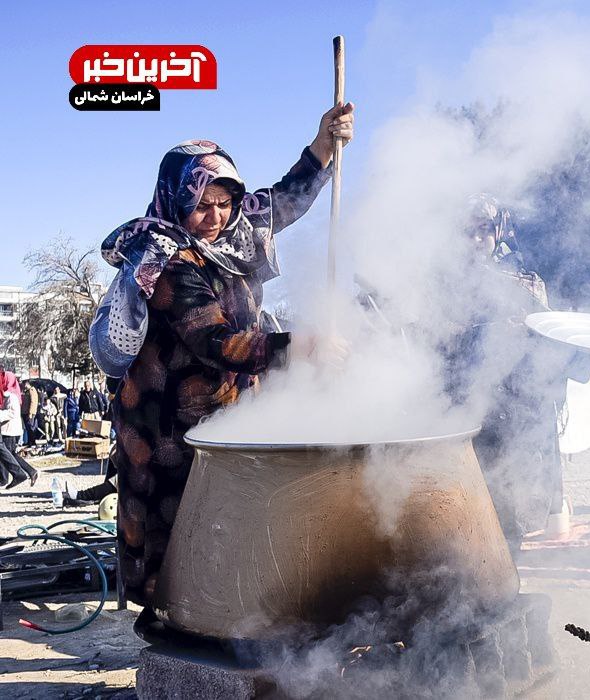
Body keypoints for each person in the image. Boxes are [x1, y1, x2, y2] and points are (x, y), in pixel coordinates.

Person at [89, 103, 354, 616]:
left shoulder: (233, 232)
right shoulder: (165, 259)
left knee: (226, 522)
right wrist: (301, 347)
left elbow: (280, 203)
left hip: (219, 413)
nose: (215, 217)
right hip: (165, 424)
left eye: (224, 202)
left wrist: (323, 146)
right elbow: (217, 342)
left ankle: (219, 614)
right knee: (178, 529)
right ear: (175, 200)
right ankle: (174, 631)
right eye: (201, 205)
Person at [444, 194, 570, 545]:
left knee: (508, 501)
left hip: (514, 405)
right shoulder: (446, 281)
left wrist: (521, 330)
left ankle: (506, 576)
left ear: (498, 231)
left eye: (484, 230)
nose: (476, 240)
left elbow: (548, 343)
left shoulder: (525, 278)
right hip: (466, 403)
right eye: (468, 232)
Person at [0, 376, 38, 488]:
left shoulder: (11, 396)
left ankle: (5, 478)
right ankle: (30, 472)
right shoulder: (9, 395)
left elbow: (12, 412)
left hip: (10, 430)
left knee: (6, 454)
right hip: (8, 429)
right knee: (9, 454)